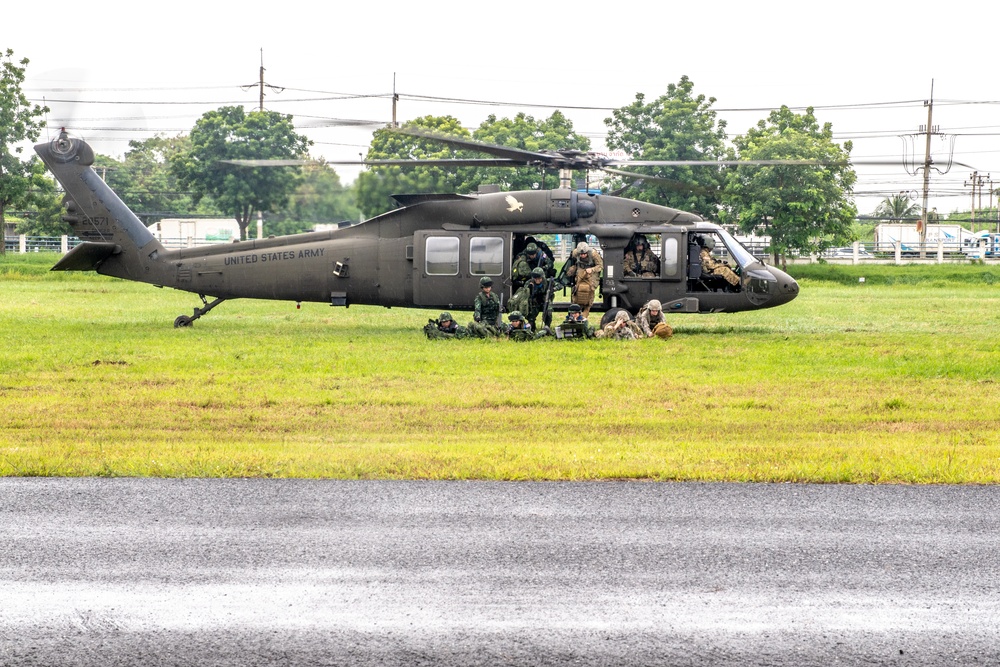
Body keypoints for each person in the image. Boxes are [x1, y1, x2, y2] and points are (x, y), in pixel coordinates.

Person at [565, 241, 603, 317]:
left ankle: (587, 308)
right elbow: (572, 260)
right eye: (581, 254)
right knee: (578, 288)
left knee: (589, 288)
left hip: (592, 272)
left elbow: (600, 266)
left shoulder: (593, 254)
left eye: (584, 254)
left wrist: (592, 269)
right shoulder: (575, 253)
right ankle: (575, 308)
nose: (582, 255)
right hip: (581, 270)